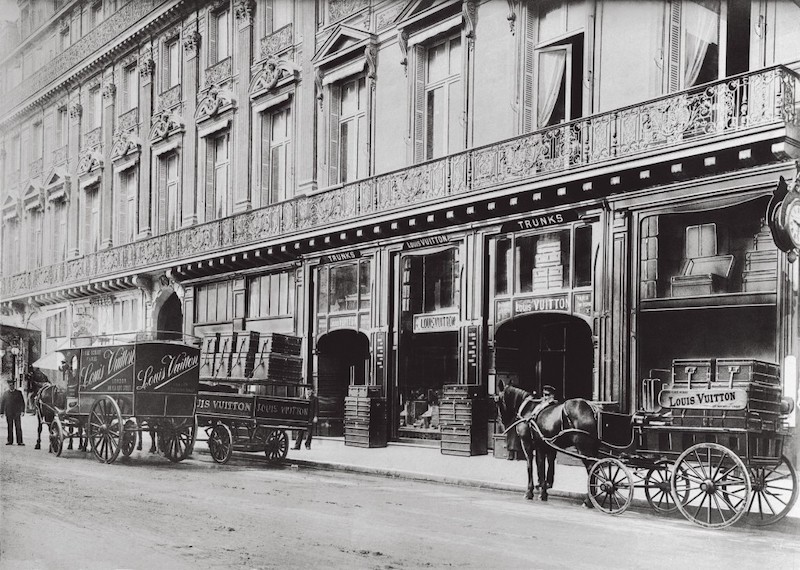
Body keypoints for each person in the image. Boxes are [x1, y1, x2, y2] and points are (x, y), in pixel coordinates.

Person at [1, 379, 26, 446]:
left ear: (14, 385)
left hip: (17, 413)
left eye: (12, 385)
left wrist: (23, 411)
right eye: (9, 385)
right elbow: (2, 403)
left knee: (18, 426)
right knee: (10, 427)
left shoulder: (18, 393)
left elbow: (22, 402)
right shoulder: (5, 393)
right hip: (9, 413)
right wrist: (1, 412)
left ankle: (20, 441)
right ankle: (10, 441)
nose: (11, 386)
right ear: (8, 386)